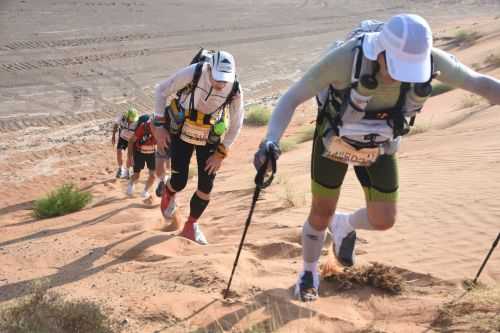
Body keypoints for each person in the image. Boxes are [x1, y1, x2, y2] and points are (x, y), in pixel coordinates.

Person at [253, 14, 500, 302]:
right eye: (397, 66)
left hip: (381, 145)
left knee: (383, 219)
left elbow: (480, 84)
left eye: (411, 69)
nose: (404, 75)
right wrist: (269, 141)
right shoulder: (346, 59)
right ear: (379, 52)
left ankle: (344, 225)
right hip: (334, 141)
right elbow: (292, 97)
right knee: (321, 214)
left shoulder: (432, 61)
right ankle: (308, 272)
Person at [151, 50, 244, 245]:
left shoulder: (235, 89)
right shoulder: (194, 72)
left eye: (224, 80)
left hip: (209, 137)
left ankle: (190, 226)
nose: (220, 84)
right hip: (181, 131)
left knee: (206, 186)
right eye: (217, 78)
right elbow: (161, 90)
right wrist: (159, 126)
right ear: (209, 69)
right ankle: (169, 192)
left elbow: (236, 123)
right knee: (179, 180)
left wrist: (221, 153)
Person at [127, 116, 157, 202]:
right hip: (139, 153)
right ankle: (131, 184)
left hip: (151, 154)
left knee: (153, 175)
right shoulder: (142, 127)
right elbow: (131, 141)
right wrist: (130, 157)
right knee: (137, 175)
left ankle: (145, 191)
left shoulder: (160, 129)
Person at [112, 107, 138, 179]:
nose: (132, 121)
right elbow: (116, 125)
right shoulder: (122, 117)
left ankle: (127, 170)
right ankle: (120, 169)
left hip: (131, 140)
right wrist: (113, 136)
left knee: (130, 156)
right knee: (119, 151)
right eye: (131, 119)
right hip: (123, 137)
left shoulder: (137, 121)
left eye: (133, 120)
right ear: (127, 116)